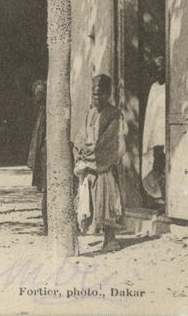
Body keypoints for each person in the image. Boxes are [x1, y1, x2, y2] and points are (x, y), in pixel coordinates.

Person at [75, 74, 123, 252]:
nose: (97, 98)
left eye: (101, 94)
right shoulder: (91, 113)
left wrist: (94, 151)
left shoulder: (114, 114)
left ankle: (110, 240)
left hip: (103, 167)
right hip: (90, 165)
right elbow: (82, 134)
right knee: (92, 202)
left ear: (109, 94)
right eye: (94, 94)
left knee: (107, 204)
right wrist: (82, 147)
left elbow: (113, 141)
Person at [142, 54, 166, 204]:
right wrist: (149, 138)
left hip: (169, 135)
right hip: (157, 137)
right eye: (155, 69)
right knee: (158, 168)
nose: (158, 72)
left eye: (160, 68)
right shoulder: (154, 88)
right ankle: (161, 199)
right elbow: (150, 115)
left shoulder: (170, 86)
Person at [26, 79, 48, 234]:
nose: (36, 97)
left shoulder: (46, 111)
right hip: (41, 155)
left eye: (39, 94)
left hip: (45, 154)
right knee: (45, 192)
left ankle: (48, 226)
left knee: (48, 192)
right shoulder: (40, 111)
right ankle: (47, 225)